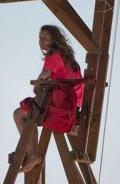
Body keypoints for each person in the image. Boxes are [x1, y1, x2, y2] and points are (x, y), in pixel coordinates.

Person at [13, 25, 84, 173]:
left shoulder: (54, 55)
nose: (41, 42)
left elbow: (41, 80)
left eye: (45, 39)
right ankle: (33, 154)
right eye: (40, 39)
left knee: (19, 114)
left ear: (54, 40)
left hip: (60, 107)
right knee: (32, 112)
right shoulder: (68, 57)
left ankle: (33, 154)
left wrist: (38, 85)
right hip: (73, 106)